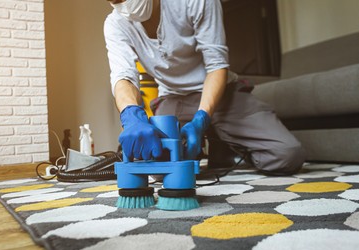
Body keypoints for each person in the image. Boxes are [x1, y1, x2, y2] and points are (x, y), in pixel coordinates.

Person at [103, 0, 305, 175]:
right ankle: (217, 143)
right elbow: (124, 78)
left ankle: (222, 143)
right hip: (173, 98)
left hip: (223, 93)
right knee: (161, 169)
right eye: (114, 0)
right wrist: (131, 116)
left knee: (287, 155)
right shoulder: (115, 25)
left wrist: (201, 120)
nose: (124, 5)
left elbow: (216, 65)